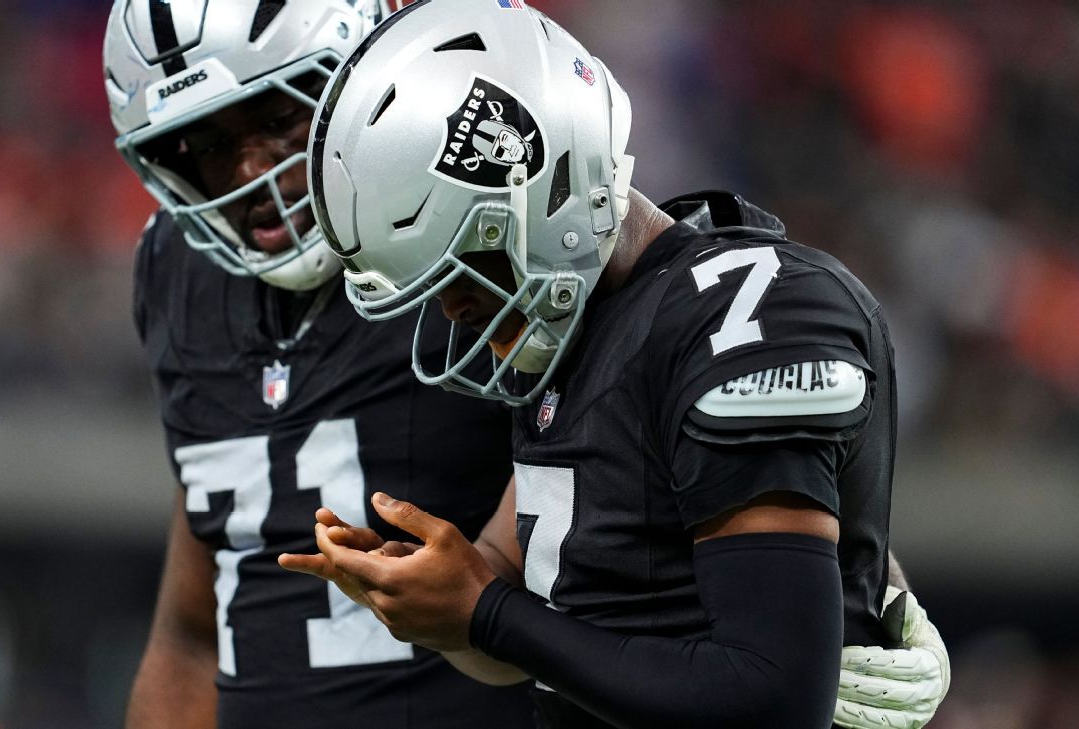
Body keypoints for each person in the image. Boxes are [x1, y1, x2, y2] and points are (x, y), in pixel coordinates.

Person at [282, 1, 950, 727]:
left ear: (545, 187)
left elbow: (772, 701)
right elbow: (521, 616)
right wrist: (433, 596)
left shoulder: (750, 314)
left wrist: (486, 614)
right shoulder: (583, 326)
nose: (452, 308)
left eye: (463, 263)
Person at [103, 1, 536, 727]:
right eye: (208, 143)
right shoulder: (178, 269)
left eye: (280, 118)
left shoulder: (484, 225)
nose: (252, 173)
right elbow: (192, 631)